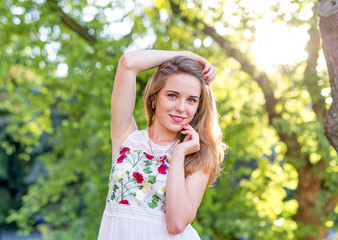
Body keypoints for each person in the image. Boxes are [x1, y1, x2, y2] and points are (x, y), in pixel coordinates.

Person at [98, 50, 226, 240]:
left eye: (191, 100)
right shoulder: (126, 137)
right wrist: (186, 55)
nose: (181, 108)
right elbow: (128, 62)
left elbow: (176, 224)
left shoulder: (198, 155)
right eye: (173, 95)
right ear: (154, 99)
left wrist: (179, 154)